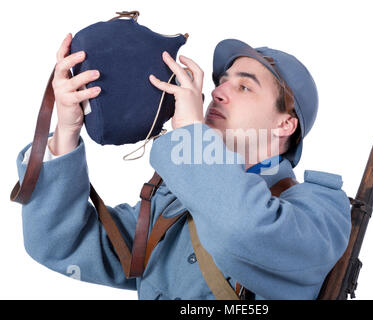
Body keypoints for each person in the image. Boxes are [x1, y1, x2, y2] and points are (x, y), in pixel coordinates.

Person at [16, 33, 351, 299]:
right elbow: (61, 243)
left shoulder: (320, 209)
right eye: (223, 80)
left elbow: (243, 229)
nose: (218, 91)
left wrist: (192, 135)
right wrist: (66, 131)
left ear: (285, 125)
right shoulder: (173, 204)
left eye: (244, 86)